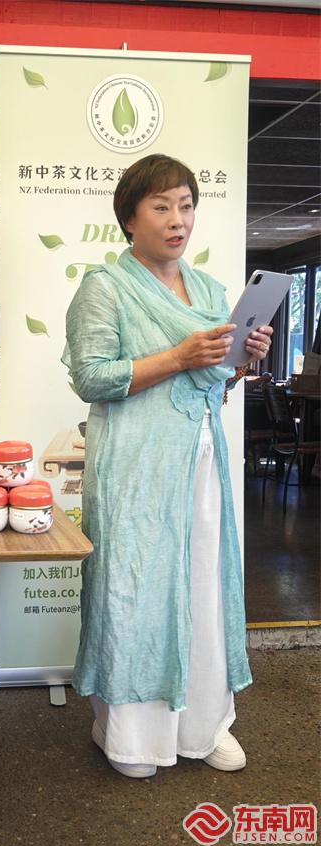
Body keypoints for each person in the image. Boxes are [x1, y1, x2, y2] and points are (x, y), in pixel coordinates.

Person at [63, 154, 273, 779]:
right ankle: (128, 736)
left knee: (203, 586)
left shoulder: (208, 290)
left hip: (200, 458)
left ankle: (205, 726)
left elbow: (215, 382)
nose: (178, 219)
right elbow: (91, 378)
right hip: (134, 465)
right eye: (161, 207)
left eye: (185, 205)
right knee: (133, 589)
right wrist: (179, 356)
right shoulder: (104, 288)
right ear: (129, 219)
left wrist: (242, 361)